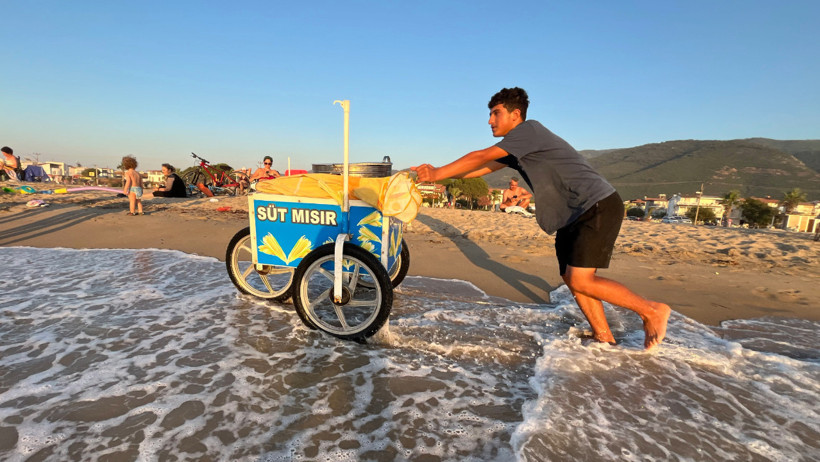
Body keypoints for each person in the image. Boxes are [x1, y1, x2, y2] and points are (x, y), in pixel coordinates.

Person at [411, 87, 671, 349]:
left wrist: (437, 173)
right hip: (571, 215)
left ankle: (651, 310)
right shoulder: (517, 149)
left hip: (595, 205)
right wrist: (437, 174)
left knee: (582, 279)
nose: (490, 121)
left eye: (495, 113)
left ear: (515, 114)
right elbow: (479, 170)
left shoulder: (529, 131)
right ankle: (603, 336)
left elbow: (480, 156)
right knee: (573, 279)